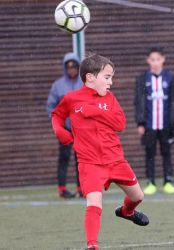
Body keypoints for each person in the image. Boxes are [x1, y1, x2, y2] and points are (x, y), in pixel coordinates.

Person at [51, 54, 149, 250]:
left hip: (116, 160)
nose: (111, 82)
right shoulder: (71, 99)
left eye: (111, 77)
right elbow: (57, 116)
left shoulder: (110, 99)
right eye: (107, 77)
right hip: (90, 163)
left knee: (138, 197)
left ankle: (126, 212)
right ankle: (92, 245)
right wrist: (60, 132)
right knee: (94, 203)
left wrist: (95, 111)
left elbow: (120, 124)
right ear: (90, 78)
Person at [135, 47, 174, 195]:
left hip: (166, 124)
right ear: (148, 61)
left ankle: (168, 181)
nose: (155, 62)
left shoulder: (170, 78)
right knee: (150, 153)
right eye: (152, 59)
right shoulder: (142, 79)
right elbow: (139, 101)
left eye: (158, 59)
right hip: (149, 125)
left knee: (166, 153)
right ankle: (151, 182)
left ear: (163, 60)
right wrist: (140, 122)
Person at [47, 52, 83, 198]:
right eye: (68, 67)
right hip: (65, 129)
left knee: (81, 159)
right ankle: (62, 189)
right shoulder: (58, 86)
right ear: (65, 68)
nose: (71, 69)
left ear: (78, 67)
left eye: (74, 66)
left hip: (82, 129)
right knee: (64, 157)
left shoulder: (85, 84)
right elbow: (51, 106)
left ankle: (82, 188)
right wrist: (58, 124)